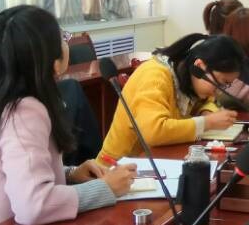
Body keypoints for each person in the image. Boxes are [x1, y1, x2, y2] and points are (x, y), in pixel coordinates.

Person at [0, 5, 136, 225]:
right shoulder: (24, 112)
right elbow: (34, 205)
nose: (66, 42)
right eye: (63, 37)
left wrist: (70, 174)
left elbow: (9, 172)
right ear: (53, 63)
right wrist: (105, 188)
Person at [98, 33, 241, 162]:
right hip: (117, 168)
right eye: (220, 83)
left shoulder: (187, 75)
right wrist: (207, 122)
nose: (219, 92)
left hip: (157, 162)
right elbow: (154, 132)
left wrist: (207, 112)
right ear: (199, 66)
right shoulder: (154, 77)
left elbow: (208, 101)